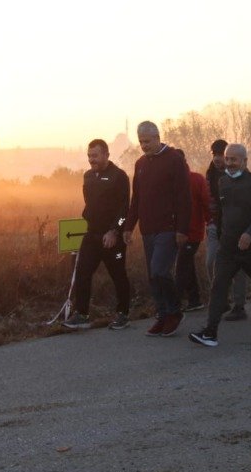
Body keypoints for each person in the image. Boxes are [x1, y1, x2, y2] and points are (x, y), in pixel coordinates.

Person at [188, 144, 251, 347]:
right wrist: (219, 235)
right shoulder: (222, 182)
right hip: (228, 247)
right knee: (218, 286)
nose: (230, 163)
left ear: (245, 161)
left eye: (234, 159)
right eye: (228, 159)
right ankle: (210, 332)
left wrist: (250, 233)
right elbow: (222, 212)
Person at [123, 121, 192, 337]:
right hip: (148, 228)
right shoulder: (140, 163)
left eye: (148, 141)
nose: (144, 145)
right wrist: (128, 226)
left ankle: (174, 312)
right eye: (141, 141)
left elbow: (184, 197)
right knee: (153, 276)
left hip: (169, 227)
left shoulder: (174, 160)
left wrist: (182, 229)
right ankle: (162, 315)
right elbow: (137, 198)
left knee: (160, 270)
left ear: (157, 137)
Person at [64, 139, 133, 330]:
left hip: (112, 238)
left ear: (106, 155)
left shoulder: (119, 177)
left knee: (118, 275)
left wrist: (114, 231)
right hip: (92, 235)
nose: (91, 159)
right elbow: (90, 205)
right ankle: (82, 314)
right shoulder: (87, 176)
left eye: (95, 155)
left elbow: (124, 210)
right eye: (89, 156)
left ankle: (123, 314)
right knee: (82, 273)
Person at [204, 139, 249, 320]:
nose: (217, 159)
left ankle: (239, 305)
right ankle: (222, 299)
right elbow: (210, 200)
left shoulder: (241, 176)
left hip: (237, 228)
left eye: (220, 155)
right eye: (214, 155)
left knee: (238, 268)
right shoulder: (211, 174)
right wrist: (210, 222)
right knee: (210, 262)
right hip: (216, 225)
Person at [176, 169, 211, 311]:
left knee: (181, 266)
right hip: (177, 233)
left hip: (193, 232)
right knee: (187, 265)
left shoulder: (196, 179)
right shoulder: (171, 180)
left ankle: (174, 305)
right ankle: (194, 300)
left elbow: (206, 202)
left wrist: (211, 222)